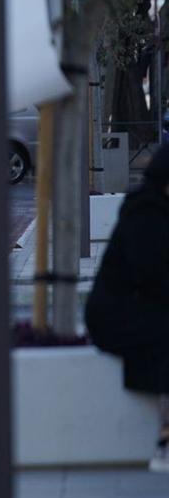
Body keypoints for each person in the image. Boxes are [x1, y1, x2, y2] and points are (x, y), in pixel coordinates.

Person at [86, 143, 169, 472]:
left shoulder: (158, 208)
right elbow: (150, 275)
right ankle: (165, 437)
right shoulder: (145, 212)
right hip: (115, 315)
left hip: (140, 308)